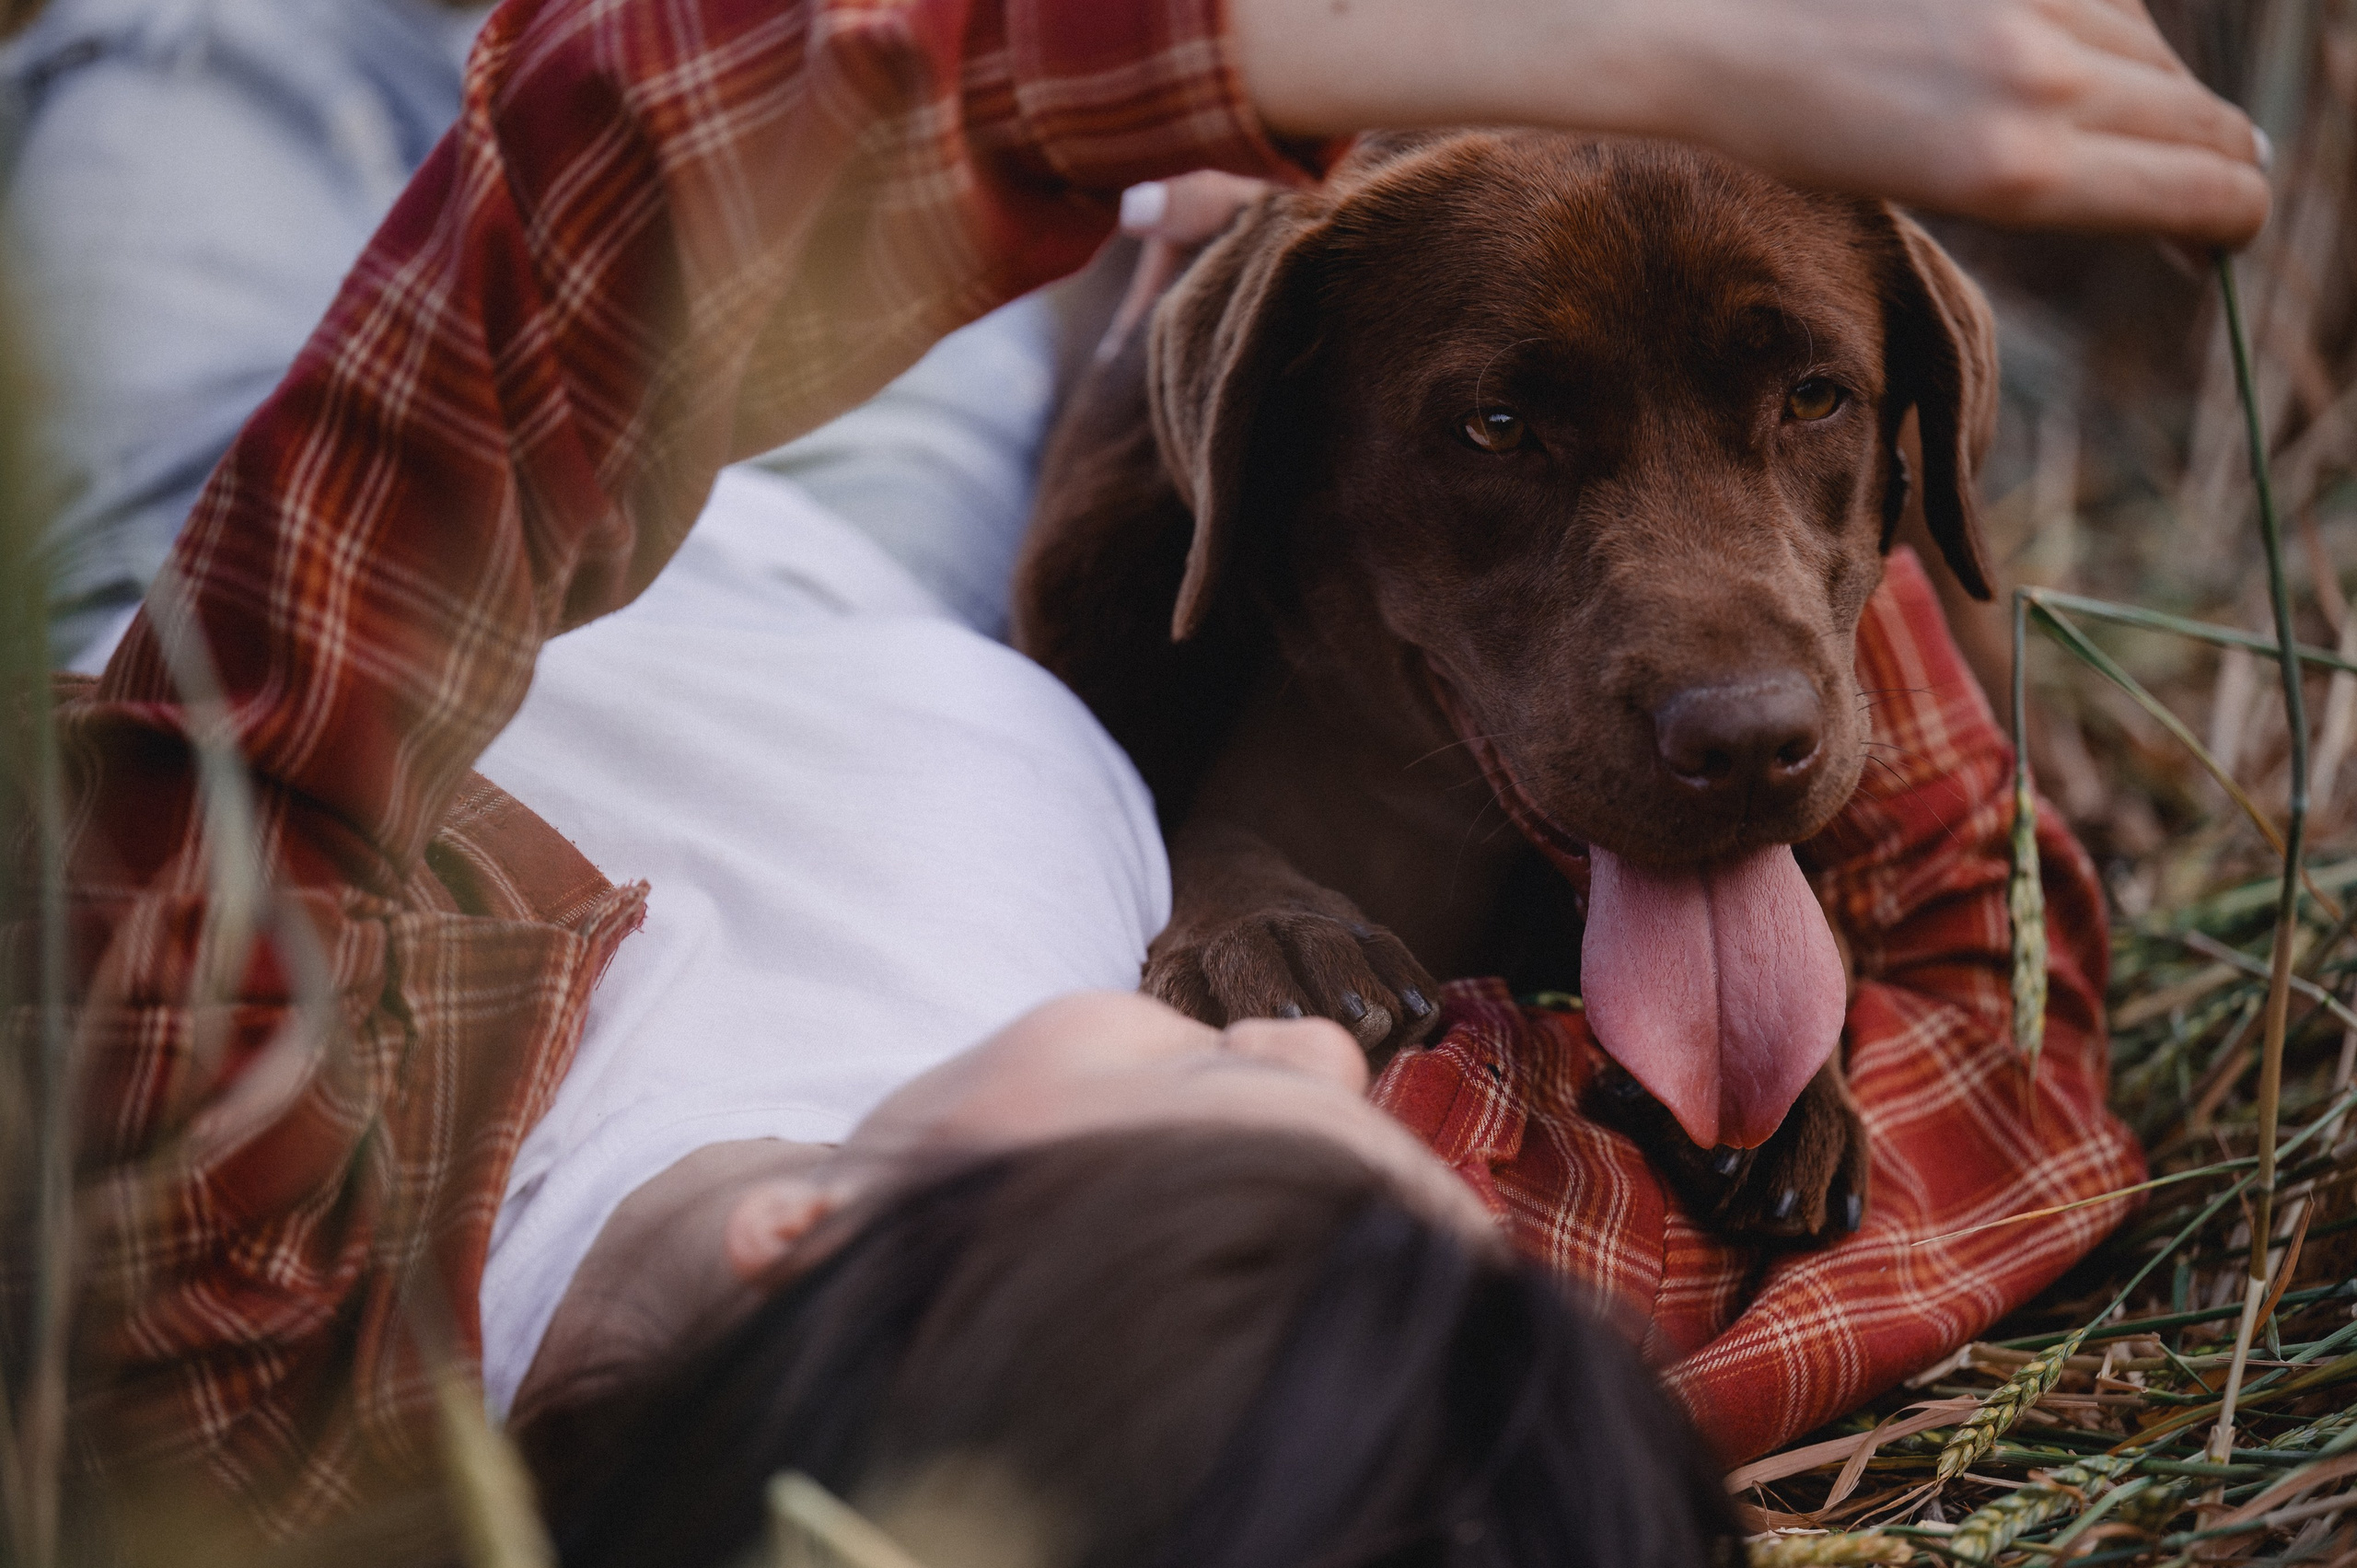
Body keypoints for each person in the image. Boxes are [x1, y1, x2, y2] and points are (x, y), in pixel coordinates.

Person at [1, 0, 2267, 1553]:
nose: (1304, 1033)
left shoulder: (223, 1245)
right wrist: (1797, 525)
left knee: (229, 43)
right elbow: (1987, 1034)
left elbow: (569, 261)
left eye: (1244, 1109)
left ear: (821, 1236)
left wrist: (1375, 43)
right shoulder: (1302, 1358)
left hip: (215, 492)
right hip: (879, 547)